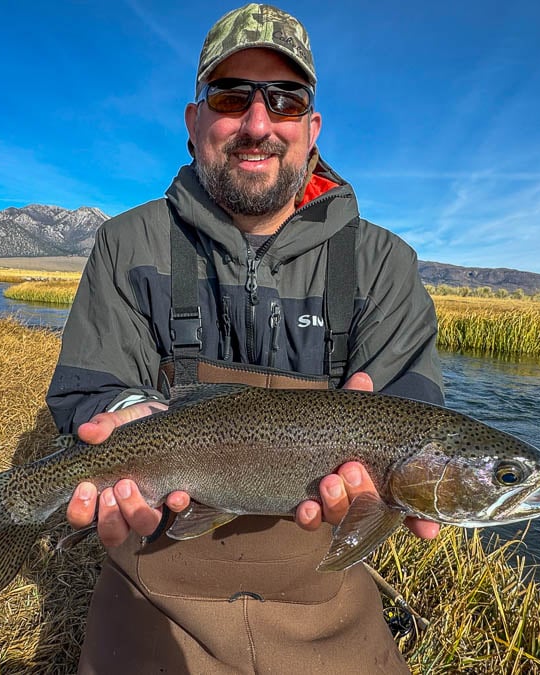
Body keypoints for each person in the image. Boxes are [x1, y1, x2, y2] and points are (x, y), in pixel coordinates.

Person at [46, 4, 444, 672]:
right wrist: (119, 417)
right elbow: (92, 387)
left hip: (329, 610)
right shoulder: (127, 244)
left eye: (284, 101)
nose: (259, 124)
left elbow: (415, 414)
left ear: (311, 129)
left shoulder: (384, 264)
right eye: (233, 96)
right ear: (194, 121)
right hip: (154, 595)